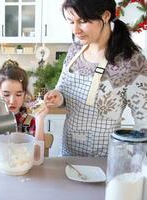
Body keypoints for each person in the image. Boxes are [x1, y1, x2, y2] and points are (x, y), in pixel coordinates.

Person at [43, 0, 147, 157]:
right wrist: (57, 97)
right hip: (69, 154)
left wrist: (135, 163)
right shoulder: (75, 50)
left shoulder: (131, 62)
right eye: (71, 22)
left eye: (83, 21)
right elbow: (62, 89)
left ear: (105, 16)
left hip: (105, 159)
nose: (75, 29)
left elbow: (144, 121)